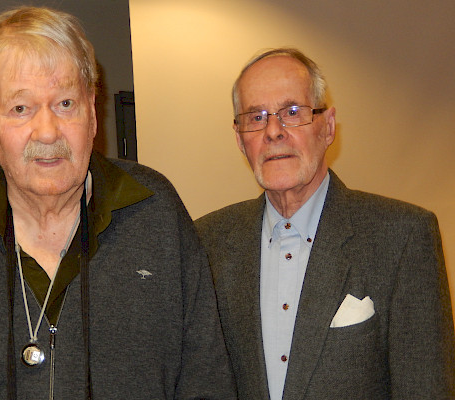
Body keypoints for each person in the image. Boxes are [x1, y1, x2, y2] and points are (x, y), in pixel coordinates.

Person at [0, 7, 236, 399]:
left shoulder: (156, 213)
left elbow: (206, 383)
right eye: (20, 108)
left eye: (65, 103)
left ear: (92, 111)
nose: (47, 131)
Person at [195, 48, 455, 400]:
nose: (273, 131)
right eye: (256, 117)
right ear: (240, 139)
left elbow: (426, 389)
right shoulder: (206, 243)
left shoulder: (403, 237)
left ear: (328, 127)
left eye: (292, 112)